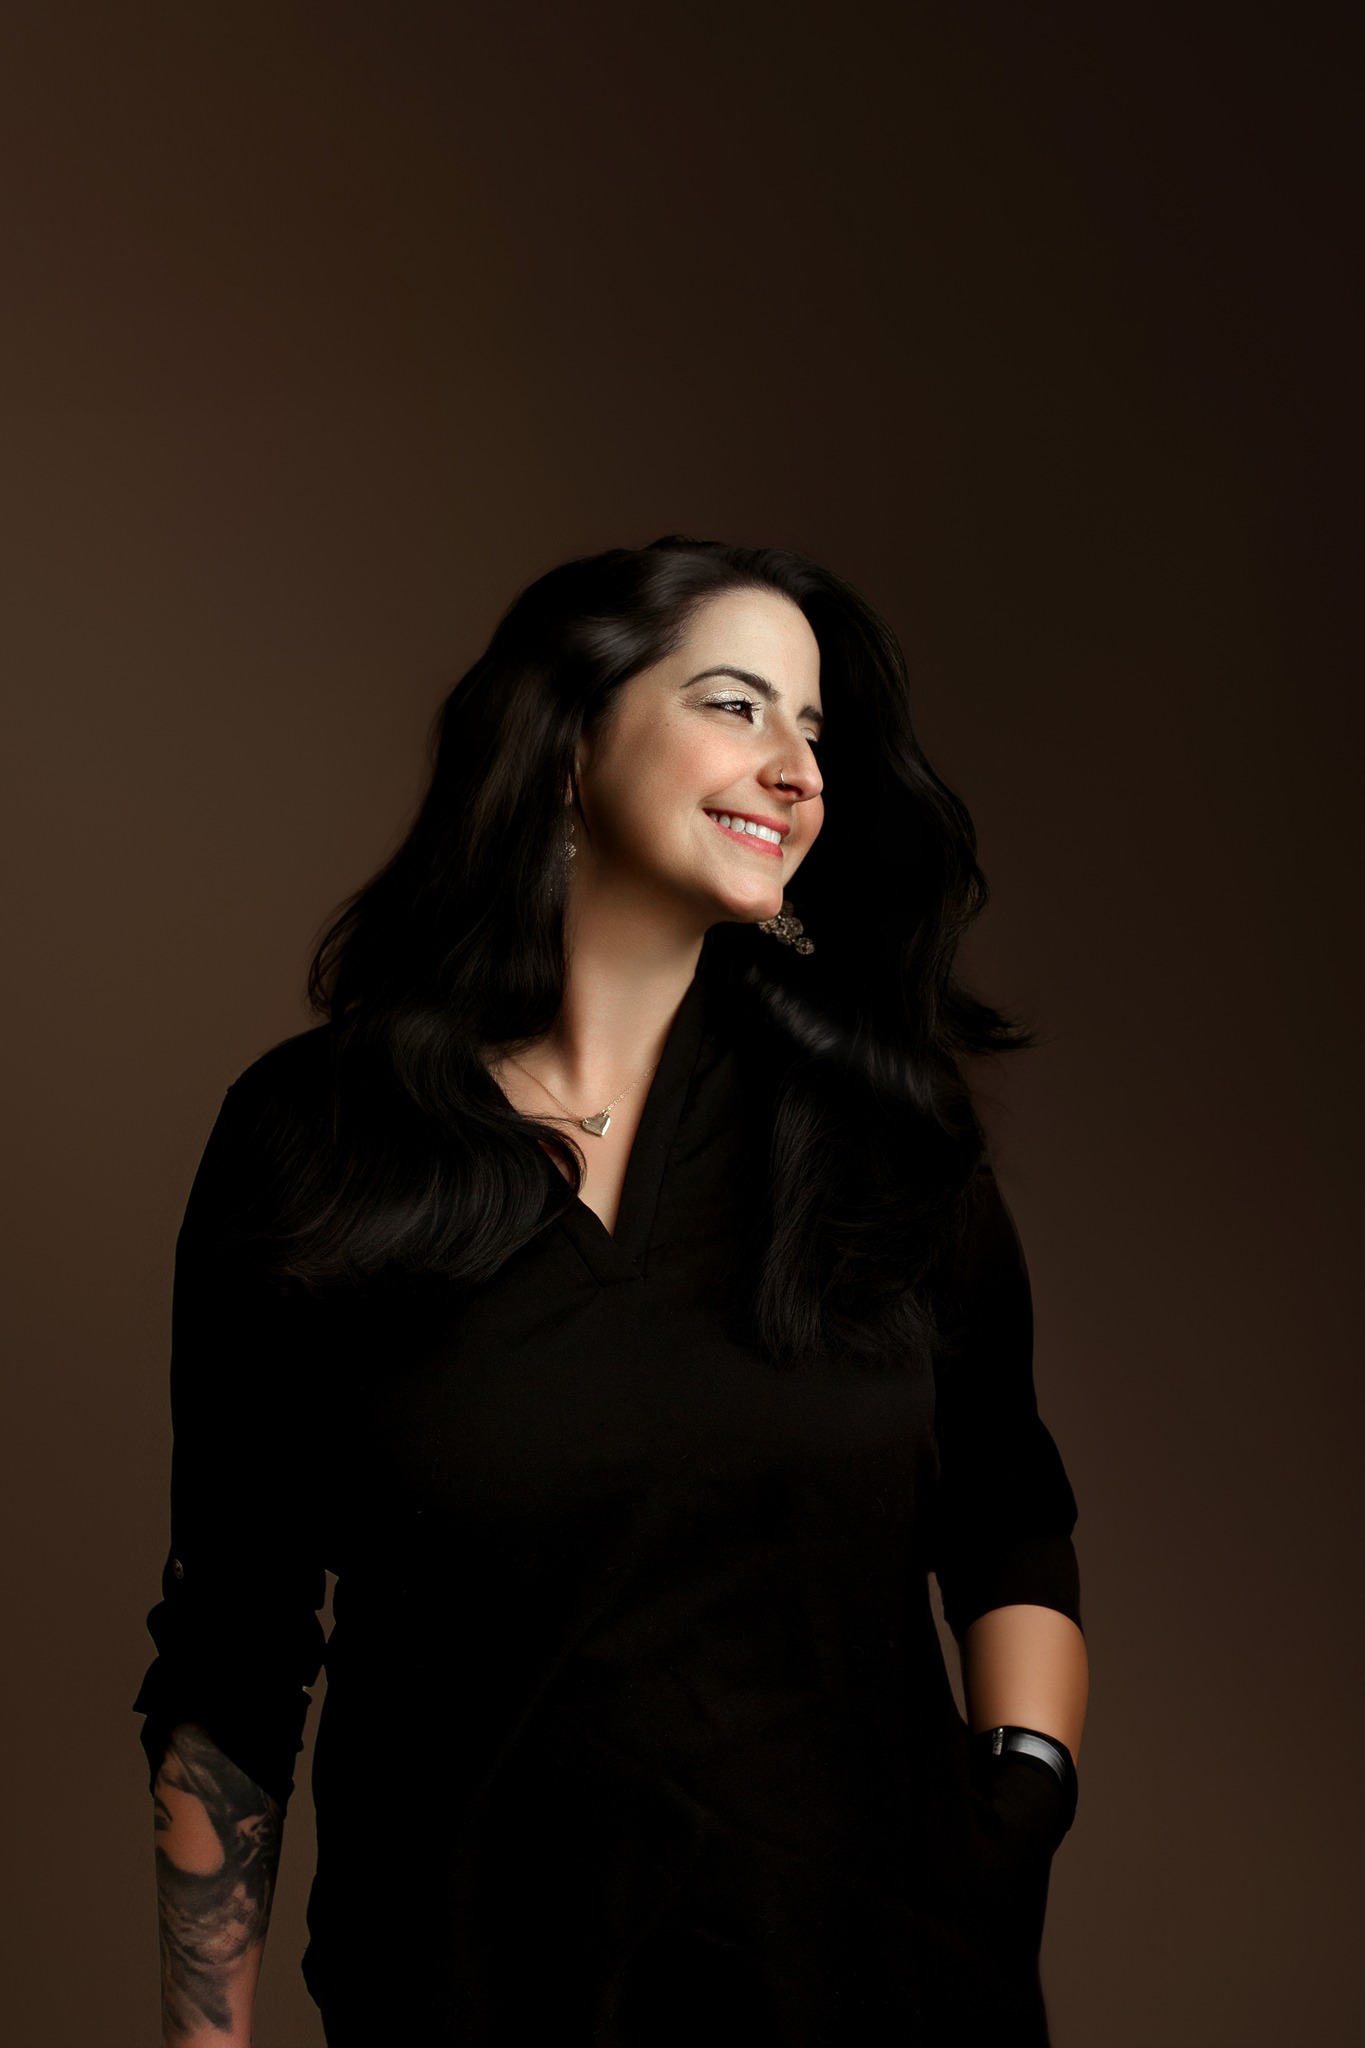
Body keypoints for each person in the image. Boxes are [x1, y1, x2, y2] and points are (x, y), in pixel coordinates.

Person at [134, 535, 1089, 2046]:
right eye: (735, 705)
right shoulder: (315, 1137)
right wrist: (205, 2037)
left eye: (813, 729)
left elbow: (1005, 1509)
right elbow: (240, 1637)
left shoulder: (881, 1135)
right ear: (568, 748)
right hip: (468, 1996)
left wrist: (1018, 1794)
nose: (793, 768)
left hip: (884, 1994)